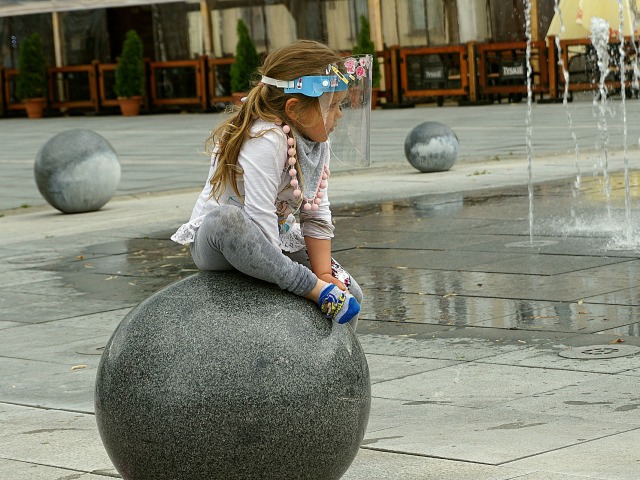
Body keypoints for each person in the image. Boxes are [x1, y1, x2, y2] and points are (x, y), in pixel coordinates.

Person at [171, 40, 372, 327]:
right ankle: (312, 289)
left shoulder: (317, 142)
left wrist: (325, 272)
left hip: (277, 238)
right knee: (228, 219)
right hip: (221, 243)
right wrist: (301, 281)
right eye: (332, 105)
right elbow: (259, 214)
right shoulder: (266, 138)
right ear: (295, 109)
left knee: (350, 293)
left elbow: (315, 211)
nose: (339, 115)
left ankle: (339, 359)